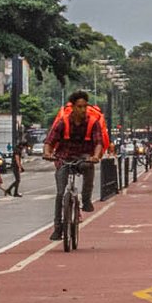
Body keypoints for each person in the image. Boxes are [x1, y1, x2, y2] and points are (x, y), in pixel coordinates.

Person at [44, 89, 112, 218]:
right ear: (73, 107)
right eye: (79, 107)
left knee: (88, 166)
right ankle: (58, 226)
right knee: (60, 193)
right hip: (63, 158)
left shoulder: (93, 123)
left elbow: (98, 142)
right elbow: (50, 141)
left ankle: (86, 199)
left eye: (85, 106)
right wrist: (47, 153)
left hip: (83, 157)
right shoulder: (63, 122)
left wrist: (96, 156)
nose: (83, 110)